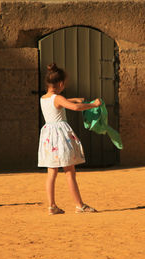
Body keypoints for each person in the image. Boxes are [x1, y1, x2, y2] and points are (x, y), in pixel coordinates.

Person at [38, 63, 101, 215]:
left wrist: (74, 99)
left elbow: (58, 102)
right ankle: (79, 205)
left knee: (51, 173)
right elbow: (73, 107)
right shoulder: (58, 98)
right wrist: (92, 105)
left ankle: (52, 205)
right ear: (60, 84)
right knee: (69, 171)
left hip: (48, 137)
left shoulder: (43, 97)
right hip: (60, 136)